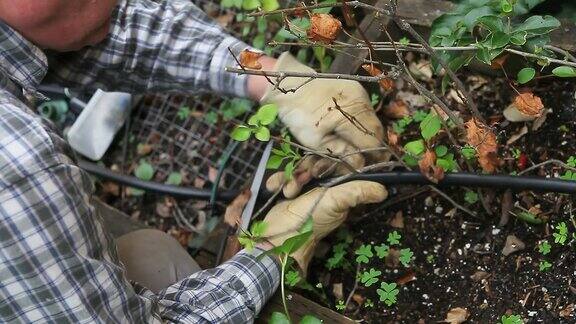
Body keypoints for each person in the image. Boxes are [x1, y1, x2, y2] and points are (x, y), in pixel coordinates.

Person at [0, 0, 388, 322]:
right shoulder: (17, 165)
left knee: (152, 256)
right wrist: (274, 251)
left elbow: (121, 30)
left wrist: (280, 83)